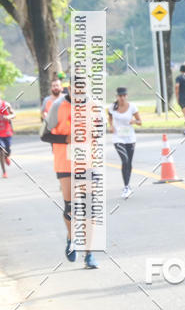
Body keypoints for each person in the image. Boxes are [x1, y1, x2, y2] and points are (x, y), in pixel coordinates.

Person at [45, 90, 98, 268]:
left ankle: (89, 254)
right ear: (70, 88)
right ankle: (71, 238)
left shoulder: (93, 105)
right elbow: (44, 135)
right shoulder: (57, 106)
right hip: (65, 163)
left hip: (87, 162)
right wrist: (65, 138)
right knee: (70, 207)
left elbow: (102, 130)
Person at [107, 87, 141, 199]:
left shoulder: (132, 107)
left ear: (126, 96)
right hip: (118, 138)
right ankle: (126, 187)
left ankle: (127, 185)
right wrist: (111, 126)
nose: (121, 98)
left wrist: (134, 121)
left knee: (129, 163)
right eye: (119, 96)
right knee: (124, 160)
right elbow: (110, 117)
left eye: (123, 96)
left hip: (130, 138)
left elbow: (140, 122)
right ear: (117, 96)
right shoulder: (112, 107)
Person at [0, 97, 15, 178]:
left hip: (6, 132)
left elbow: (13, 114)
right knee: (1, 151)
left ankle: (7, 156)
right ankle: (4, 172)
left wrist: (8, 117)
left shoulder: (6, 104)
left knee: (7, 150)